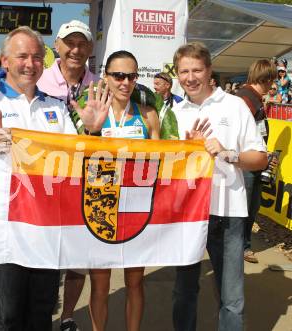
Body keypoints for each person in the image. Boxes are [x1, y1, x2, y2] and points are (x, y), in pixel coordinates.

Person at [0, 26, 111, 331]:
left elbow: (78, 166)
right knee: (7, 319)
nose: (29, 63)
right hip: (3, 230)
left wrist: (93, 133)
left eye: (35, 56)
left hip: (46, 229)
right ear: (4, 61)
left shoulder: (55, 108)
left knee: (41, 315)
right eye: (21, 56)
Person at [171, 42, 268, 331]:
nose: (190, 77)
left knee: (232, 298)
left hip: (227, 213)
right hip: (188, 215)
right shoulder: (174, 113)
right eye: (184, 71)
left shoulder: (235, 105)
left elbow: (260, 159)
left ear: (209, 70)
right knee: (184, 292)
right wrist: (185, 151)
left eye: (196, 70)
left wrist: (229, 153)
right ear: (177, 74)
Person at [89, 50, 160, 331]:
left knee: (134, 283)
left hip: (134, 208)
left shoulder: (148, 115)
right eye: (118, 75)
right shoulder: (93, 113)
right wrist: (91, 131)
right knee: (100, 285)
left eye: (131, 76)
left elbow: (163, 163)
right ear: (106, 77)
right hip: (100, 207)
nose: (125, 82)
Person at [37, 19, 99, 331]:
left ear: (90, 49)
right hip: (45, 185)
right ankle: (43, 313)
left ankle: (67, 317)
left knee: (78, 259)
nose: (75, 49)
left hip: (84, 184)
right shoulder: (39, 80)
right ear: (57, 46)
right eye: (69, 43)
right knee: (46, 258)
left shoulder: (99, 86)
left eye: (82, 43)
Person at [235, 59, 277, 264]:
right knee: (244, 209)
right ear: (267, 77)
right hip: (247, 163)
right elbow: (236, 134)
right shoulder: (245, 98)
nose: (275, 85)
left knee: (251, 207)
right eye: (273, 79)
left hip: (254, 161)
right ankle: (240, 247)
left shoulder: (254, 98)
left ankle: (243, 246)